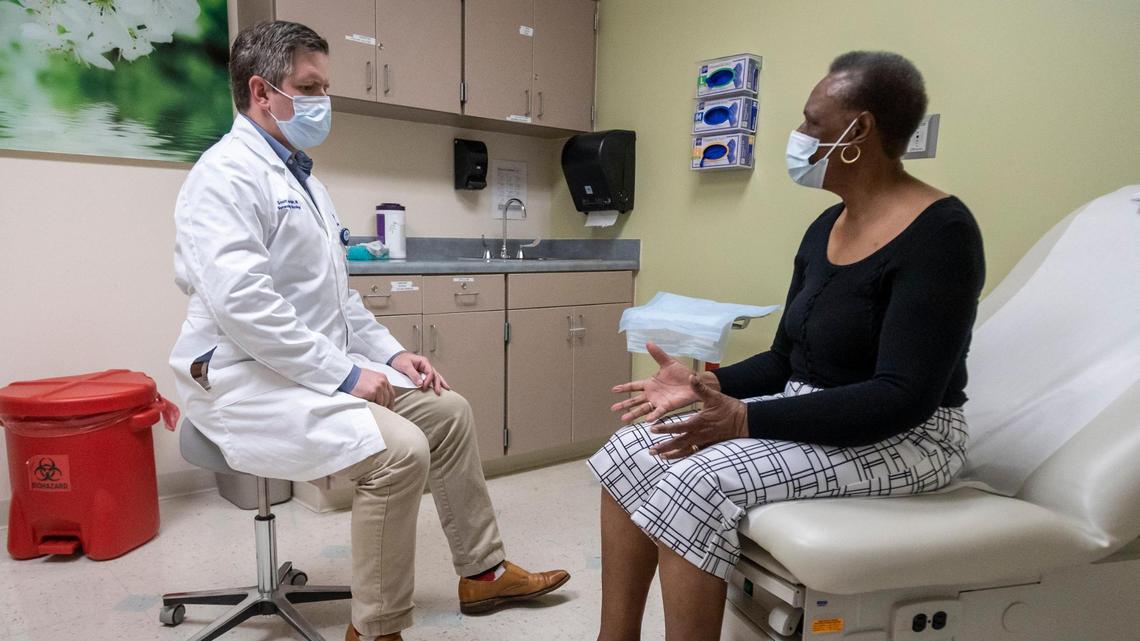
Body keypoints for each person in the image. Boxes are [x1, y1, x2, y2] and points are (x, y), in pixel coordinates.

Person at [168, 21, 568, 641]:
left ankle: (483, 575)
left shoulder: (305, 182)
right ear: (261, 91)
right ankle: (378, 629)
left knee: (449, 410)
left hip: (304, 367)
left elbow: (339, 301)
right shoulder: (223, 177)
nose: (323, 102)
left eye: (325, 87)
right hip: (242, 378)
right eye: (309, 86)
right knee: (398, 453)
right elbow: (244, 306)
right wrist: (347, 375)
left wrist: (393, 354)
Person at [589, 51, 985, 641]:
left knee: (692, 480)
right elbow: (785, 360)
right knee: (630, 450)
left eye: (812, 123)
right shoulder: (827, 226)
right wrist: (709, 387)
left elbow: (903, 396)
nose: (799, 138)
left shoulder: (942, 234)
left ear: (861, 130)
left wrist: (744, 419)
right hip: (819, 408)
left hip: (909, 437)